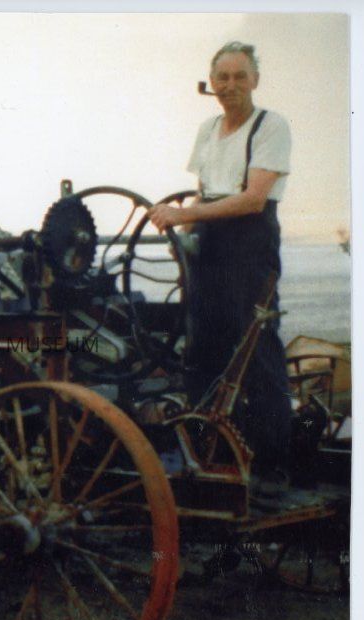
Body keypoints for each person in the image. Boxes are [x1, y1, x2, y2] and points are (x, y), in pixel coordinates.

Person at [148, 41, 292, 483]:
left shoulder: (270, 126)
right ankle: (206, 457)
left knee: (256, 350)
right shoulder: (208, 129)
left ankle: (272, 468)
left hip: (250, 244)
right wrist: (185, 235)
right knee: (202, 350)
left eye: (239, 76)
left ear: (255, 80)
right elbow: (203, 192)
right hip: (210, 243)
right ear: (211, 83)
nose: (230, 85)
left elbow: (252, 199)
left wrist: (185, 216)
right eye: (222, 78)